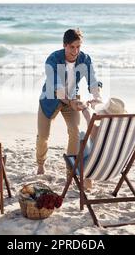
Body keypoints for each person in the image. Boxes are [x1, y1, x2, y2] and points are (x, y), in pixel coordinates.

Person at [36, 28, 102, 176]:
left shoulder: (84, 59)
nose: (75, 50)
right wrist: (70, 101)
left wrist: (97, 96)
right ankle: (40, 164)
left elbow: (92, 80)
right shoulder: (53, 59)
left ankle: (70, 167)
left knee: (75, 132)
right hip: (50, 100)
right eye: (72, 47)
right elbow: (56, 86)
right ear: (64, 45)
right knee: (43, 136)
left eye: (78, 46)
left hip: (72, 99)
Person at [79, 97, 128, 190]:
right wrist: (97, 105)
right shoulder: (126, 129)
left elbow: (90, 125)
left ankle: (88, 178)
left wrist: (86, 110)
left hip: (96, 168)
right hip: (116, 168)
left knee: (82, 135)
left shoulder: (100, 131)